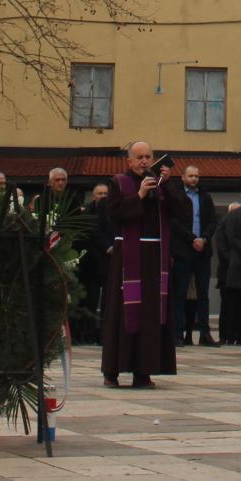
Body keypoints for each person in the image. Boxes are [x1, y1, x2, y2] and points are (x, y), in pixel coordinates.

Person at [102, 141, 186, 386]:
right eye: (139, 157)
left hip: (153, 258)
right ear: (129, 161)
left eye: (148, 156)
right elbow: (114, 214)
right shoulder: (119, 182)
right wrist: (138, 196)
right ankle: (112, 371)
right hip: (128, 257)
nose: (144, 161)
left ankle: (143, 371)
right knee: (123, 311)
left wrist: (168, 184)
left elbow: (181, 212)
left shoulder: (160, 185)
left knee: (150, 313)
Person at [171, 164, 218, 347]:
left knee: (203, 294)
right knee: (180, 293)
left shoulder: (205, 197)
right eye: (190, 176)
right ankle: (177, 334)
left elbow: (213, 221)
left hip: (202, 251)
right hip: (184, 250)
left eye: (197, 176)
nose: (194, 179)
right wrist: (192, 239)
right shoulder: (177, 197)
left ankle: (205, 334)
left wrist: (204, 238)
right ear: (183, 177)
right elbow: (174, 222)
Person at [74, 182, 111, 345]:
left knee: (106, 301)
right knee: (90, 301)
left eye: (105, 194)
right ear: (93, 196)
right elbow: (88, 237)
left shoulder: (111, 213)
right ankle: (87, 334)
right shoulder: (86, 214)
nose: (103, 196)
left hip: (108, 261)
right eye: (100, 194)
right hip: (90, 263)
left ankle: (103, 334)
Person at [213, 201, 241, 344]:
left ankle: (239, 334)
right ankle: (225, 335)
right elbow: (222, 249)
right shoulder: (222, 229)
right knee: (228, 306)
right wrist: (232, 260)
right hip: (227, 273)